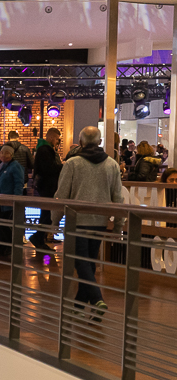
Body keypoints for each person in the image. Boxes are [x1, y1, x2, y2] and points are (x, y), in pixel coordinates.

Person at [54, 126, 124, 317]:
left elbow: (62, 195)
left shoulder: (72, 164)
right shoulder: (112, 165)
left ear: (81, 142)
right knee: (89, 263)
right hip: (100, 221)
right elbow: (118, 198)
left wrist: (54, 221)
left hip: (77, 221)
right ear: (100, 142)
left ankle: (97, 299)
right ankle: (78, 306)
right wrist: (118, 226)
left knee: (80, 262)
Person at [30, 127, 63, 252]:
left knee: (46, 214)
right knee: (48, 214)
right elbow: (49, 169)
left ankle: (39, 239)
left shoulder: (42, 149)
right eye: (57, 139)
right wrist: (62, 166)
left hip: (45, 186)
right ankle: (38, 237)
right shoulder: (45, 150)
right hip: (48, 186)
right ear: (51, 137)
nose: (57, 142)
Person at [0, 144, 25, 260]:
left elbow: (18, 183)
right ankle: (3, 247)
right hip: (0, 202)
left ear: (11, 154)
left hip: (9, 203)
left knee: (6, 226)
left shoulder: (15, 167)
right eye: (1, 153)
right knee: (1, 226)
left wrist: (16, 200)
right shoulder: (2, 166)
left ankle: (9, 247)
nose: (3, 155)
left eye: (6, 153)